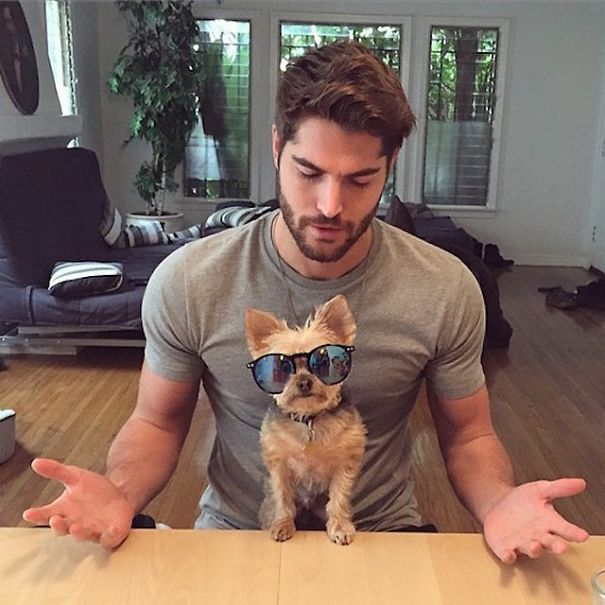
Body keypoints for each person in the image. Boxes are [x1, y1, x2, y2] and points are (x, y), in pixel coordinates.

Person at [23, 41, 589, 564]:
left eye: (360, 179)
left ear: (390, 167)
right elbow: (157, 422)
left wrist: (498, 504)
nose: (330, 204)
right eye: (308, 171)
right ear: (276, 146)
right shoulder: (189, 280)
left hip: (380, 533)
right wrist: (119, 493)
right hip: (240, 531)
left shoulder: (445, 287)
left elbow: (469, 435)